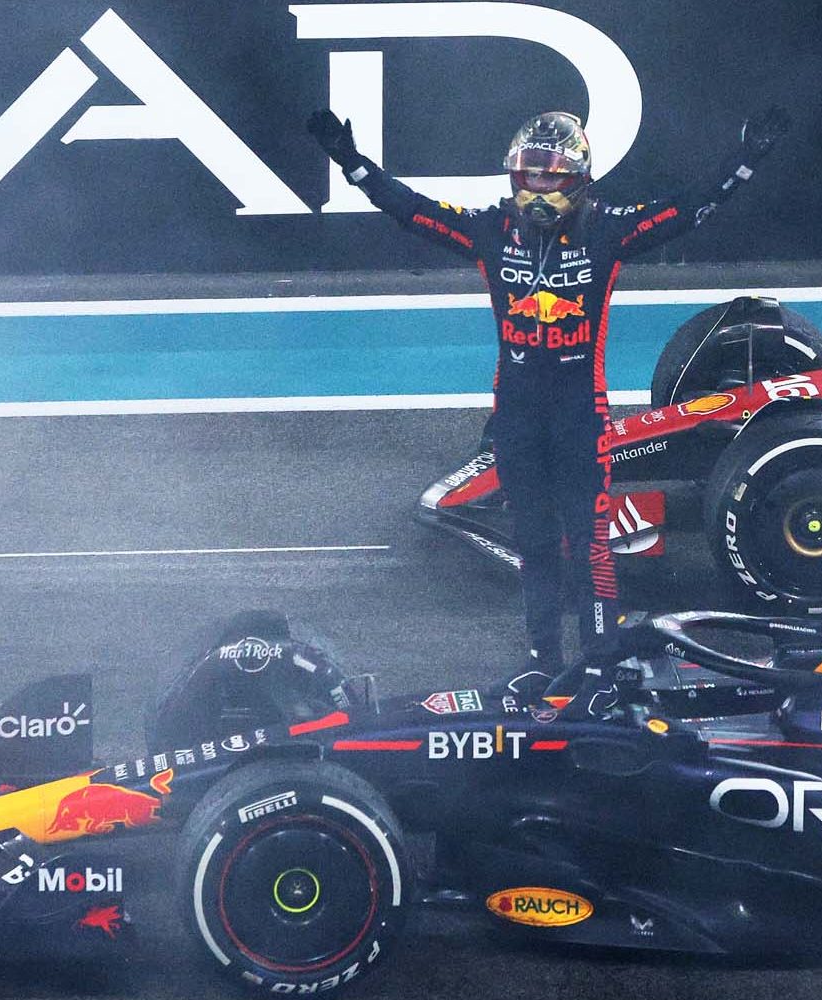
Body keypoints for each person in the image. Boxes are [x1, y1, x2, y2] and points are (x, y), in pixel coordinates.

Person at [308, 106, 790, 703]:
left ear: (578, 178)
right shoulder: (489, 231)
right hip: (514, 418)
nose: (537, 186)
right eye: (529, 174)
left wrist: (742, 162)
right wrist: (352, 163)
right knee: (534, 542)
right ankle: (542, 660)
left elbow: (687, 211)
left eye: (551, 174)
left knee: (589, 541)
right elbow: (412, 212)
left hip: (578, 416)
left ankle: (600, 662)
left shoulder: (607, 231)